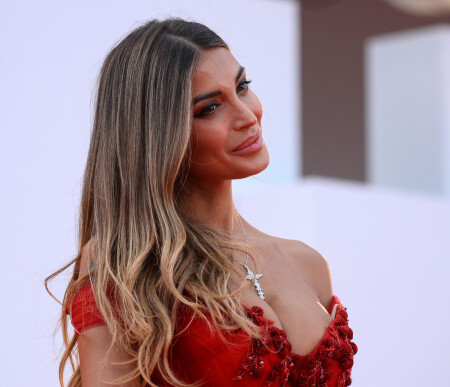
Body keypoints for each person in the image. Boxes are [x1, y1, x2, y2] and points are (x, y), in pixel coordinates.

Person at [47, 18, 356, 387]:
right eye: (209, 108)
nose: (248, 116)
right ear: (159, 136)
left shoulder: (308, 264)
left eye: (242, 87)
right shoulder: (127, 266)